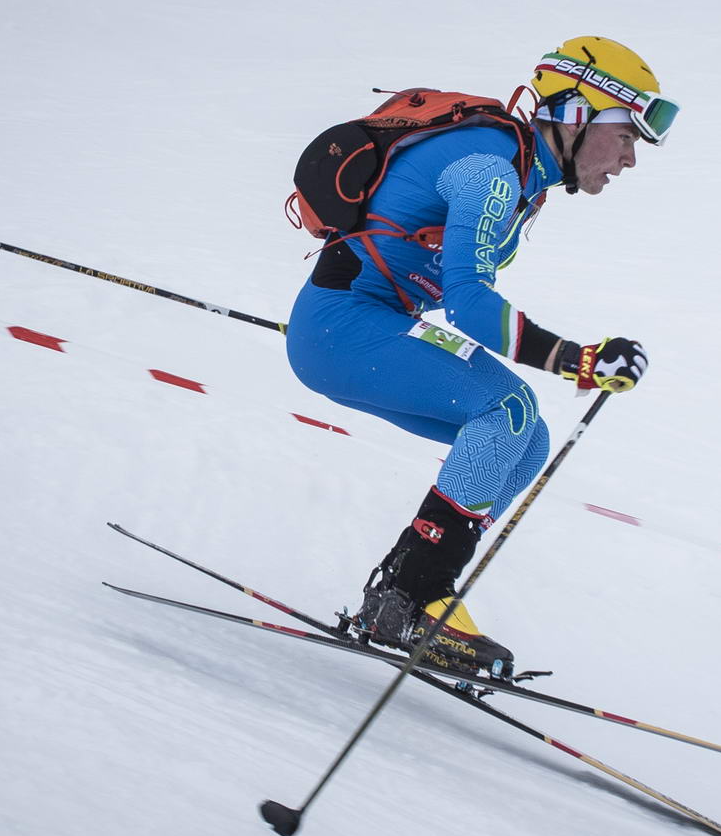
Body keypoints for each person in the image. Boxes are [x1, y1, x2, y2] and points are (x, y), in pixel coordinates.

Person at [283, 36, 677, 680]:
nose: (631, 158)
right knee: (508, 406)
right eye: (625, 134)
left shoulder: (521, 175)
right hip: (344, 330)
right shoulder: (491, 170)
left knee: (527, 438)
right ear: (574, 116)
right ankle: (411, 600)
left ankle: (405, 592)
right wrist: (576, 360)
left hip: (365, 326)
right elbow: (468, 302)